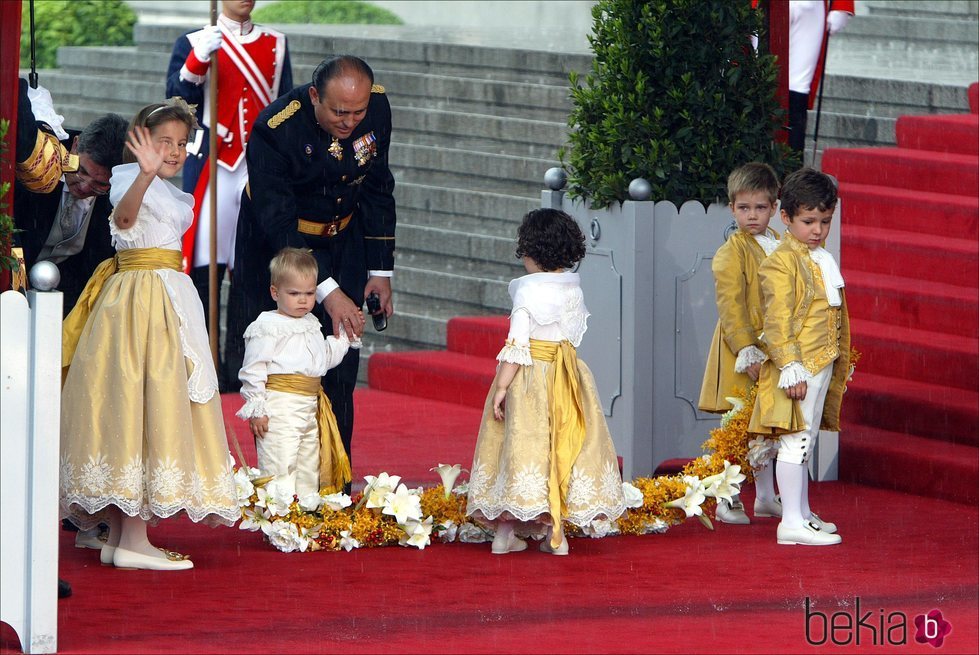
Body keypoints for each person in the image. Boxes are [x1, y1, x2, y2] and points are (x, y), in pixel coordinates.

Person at [59, 99, 239, 571]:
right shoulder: (128, 180)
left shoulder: (161, 186)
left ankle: (120, 534)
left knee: (141, 401)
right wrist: (143, 173)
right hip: (142, 304)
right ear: (141, 139)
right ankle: (134, 539)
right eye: (165, 142)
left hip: (162, 298)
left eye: (181, 143)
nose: (175, 151)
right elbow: (122, 220)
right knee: (142, 403)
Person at [234, 55, 396, 476]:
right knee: (281, 362)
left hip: (344, 237)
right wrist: (325, 290)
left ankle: (334, 481)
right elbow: (278, 223)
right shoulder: (275, 129)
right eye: (339, 112)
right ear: (313, 97)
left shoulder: (376, 107)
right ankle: (279, 484)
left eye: (358, 112)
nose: (350, 122)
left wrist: (380, 271)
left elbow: (378, 188)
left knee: (340, 367)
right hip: (277, 245)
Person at [466, 208, 627, 556]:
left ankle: (503, 533)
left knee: (520, 449)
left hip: (530, 378)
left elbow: (517, 346)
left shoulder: (528, 293)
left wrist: (503, 388)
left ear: (530, 252)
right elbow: (571, 337)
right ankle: (558, 533)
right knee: (561, 446)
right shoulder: (573, 289)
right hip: (567, 376)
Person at [165, 0, 293, 390]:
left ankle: (243, 363)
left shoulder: (277, 43)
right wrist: (196, 63)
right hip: (214, 165)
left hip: (255, 169)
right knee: (204, 264)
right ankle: (202, 361)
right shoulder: (193, 41)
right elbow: (175, 102)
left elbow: (286, 108)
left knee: (251, 270)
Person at [748, 168, 850, 546]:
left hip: (820, 360)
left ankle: (802, 514)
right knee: (795, 440)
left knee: (804, 437)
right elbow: (776, 320)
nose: (818, 230)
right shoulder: (781, 261)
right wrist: (790, 365)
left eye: (825, 221)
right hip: (800, 365)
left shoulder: (816, 256)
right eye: (809, 221)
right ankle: (790, 520)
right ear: (785, 217)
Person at [699, 162, 782, 525]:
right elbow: (730, 306)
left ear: (774, 208)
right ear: (732, 208)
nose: (752, 216)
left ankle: (765, 496)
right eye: (744, 208)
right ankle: (725, 498)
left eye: (760, 208)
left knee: (768, 425)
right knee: (735, 428)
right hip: (741, 349)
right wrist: (746, 348)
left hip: (774, 348)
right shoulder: (731, 253)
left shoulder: (781, 244)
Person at [237, 247, 357, 498]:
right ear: (275, 292)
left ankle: (303, 520)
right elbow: (253, 370)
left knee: (308, 465)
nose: (303, 300)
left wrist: (345, 337)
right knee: (280, 463)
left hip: (309, 406)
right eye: (294, 293)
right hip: (280, 406)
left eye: (310, 293)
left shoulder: (311, 323)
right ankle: (279, 523)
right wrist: (257, 408)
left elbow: (322, 360)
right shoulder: (267, 326)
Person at [13, 77, 129, 315]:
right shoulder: (44, 161)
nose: (85, 186)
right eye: (82, 171)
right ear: (75, 145)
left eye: (99, 184)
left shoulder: (120, 198)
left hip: (70, 300)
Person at [787, 1, 855, 152]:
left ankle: (790, 168)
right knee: (760, 75)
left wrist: (842, 5)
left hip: (808, 7)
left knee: (798, 86)